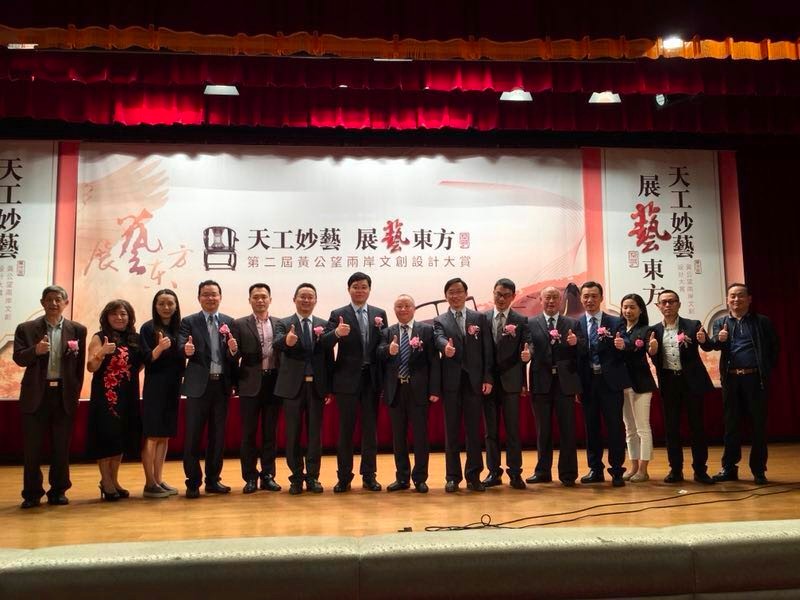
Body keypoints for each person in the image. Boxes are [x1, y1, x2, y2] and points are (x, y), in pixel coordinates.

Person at [13, 285, 87, 509]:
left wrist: (74, 393)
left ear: (66, 303)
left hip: (63, 395)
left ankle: (59, 490)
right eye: (49, 299)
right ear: (42, 302)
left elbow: (78, 368)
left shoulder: (78, 330)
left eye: (58, 300)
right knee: (32, 449)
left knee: (61, 447)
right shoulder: (26, 329)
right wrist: (35, 351)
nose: (54, 303)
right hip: (36, 394)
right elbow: (19, 358)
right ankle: (32, 493)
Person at [707, 283, 779, 485]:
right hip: (731, 379)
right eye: (732, 296)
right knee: (731, 426)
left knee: (758, 426)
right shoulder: (721, 322)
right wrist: (719, 338)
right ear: (727, 300)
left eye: (740, 296)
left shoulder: (762, 322)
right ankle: (729, 468)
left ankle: (759, 470)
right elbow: (713, 345)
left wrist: (764, 370)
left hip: (755, 379)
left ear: (749, 299)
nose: (736, 299)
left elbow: (774, 348)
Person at [325, 272, 388, 493]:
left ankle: (369, 476)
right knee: (346, 431)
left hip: (371, 380)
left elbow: (383, 345)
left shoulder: (379, 314)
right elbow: (324, 343)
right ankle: (344, 477)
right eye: (355, 287)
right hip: (346, 380)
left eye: (363, 287)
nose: (359, 290)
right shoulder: (338, 314)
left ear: (369, 290)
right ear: (348, 289)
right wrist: (336, 333)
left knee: (370, 430)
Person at [178, 280, 238, 499]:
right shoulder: (189, 322)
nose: (210, 298)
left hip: (221, 386)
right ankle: (193, 482)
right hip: (198, 387)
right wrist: (186, 349)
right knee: (193, 436)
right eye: (205, 294)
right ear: (199, 298)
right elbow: (181, 345)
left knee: (217, 436)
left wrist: (233, 351)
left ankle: (213, 480)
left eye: (214, 294)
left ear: (220, 297)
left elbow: (233, 356)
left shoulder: (229, 322)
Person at [433, 277, 494, 492]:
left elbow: (487, 350)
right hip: (451, 383)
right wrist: (445, 348)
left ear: (466, 294)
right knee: (451, 431)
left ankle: (474, 476)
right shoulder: (440, 320)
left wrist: (487, 378)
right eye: (451, 292)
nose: (455, 295)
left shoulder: (479, 318)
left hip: (474, 382)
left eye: (459, 291)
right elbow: (438, 338)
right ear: (446, 296)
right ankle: (452, 477)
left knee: (473, 431)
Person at [273, 283, 334, 495]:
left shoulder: (324, 325)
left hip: (316, 387)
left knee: (315, 434)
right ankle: (296, 478)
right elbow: (276, 344)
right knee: (293, 434)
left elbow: (328, 358)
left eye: (310, 297)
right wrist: (287, 341)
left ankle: (313, 477)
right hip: (292, 388)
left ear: (315, 300)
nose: (306, 300)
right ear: (294, 299)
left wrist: (329, 388)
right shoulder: (283, 323)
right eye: (302, 297)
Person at [650, 289, 715, 484]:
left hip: (691, 383)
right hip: (669, 382)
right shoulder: (654, 330)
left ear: (679, 304)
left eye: (671, 301)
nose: (667, 305)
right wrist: (652, 350)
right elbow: (652, 353)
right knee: (671, 429)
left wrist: (704, 340)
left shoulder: (692, 325)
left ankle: (700, 471)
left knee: (697, 427)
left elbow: (707, 346)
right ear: (658, 306)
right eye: (664, 302)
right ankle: (675, 470)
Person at [377, 294, 440, 493]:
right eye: (399, 306)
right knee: (398, 437)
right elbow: (378, 353)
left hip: (419, 391)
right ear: (394, 309)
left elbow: (434, 361)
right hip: (396, 390)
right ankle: (402, 478)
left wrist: (434, 389)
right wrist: (388, 350)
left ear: (413, 308)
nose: (403, 309)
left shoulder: (426, 330)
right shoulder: (387, 332)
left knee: (420, 436)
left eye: (407, 306)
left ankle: (420, 478)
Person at [86, 299, 143, 501]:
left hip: (128, 394)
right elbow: (91, 366)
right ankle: (106, 481)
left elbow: (138, 365)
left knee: (120, 439)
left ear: (130, 317)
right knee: (106, 438)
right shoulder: (100, 336)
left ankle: (114, 480)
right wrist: (102, 352)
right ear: (106, 317)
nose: (119, 318)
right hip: (106, 396)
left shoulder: (135, 338)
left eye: (123, 314)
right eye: (114, 314)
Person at [526, 286, 583, 487]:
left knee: (568, 429)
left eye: (555, 298)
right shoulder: (530, 323)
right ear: (540, 300)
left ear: (561, 301)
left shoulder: (572, 323)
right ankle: (542, 472)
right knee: (543, 431)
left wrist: (576, 343)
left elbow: (581, 352)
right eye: (547, 298)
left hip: (565, 383)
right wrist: (527, 354)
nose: (551, 301)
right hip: (540, 382)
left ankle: (568, 473)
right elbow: (528, 346)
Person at [575, 281, 630, 487]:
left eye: (594, 296)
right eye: (586, 296)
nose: (589, 300)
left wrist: (622, 344)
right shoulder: (576, 324)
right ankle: (595, 469)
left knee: (615, 427)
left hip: (610, 383)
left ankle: (616, 470)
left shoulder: (615, 322)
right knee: (591, 428)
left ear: (601, 298)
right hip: (588, 382)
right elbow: (575, 356)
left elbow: (626, 342)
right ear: (581, 298)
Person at [231, 283, 282, 494]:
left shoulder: (280, 323)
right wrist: (232, 351)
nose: (260, 300)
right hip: (249, 384)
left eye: (263, 297)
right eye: (256, 297)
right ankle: (250, 477)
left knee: (270, 433)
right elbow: (234, 356)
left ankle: (268, 475)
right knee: (249, 434)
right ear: (250, 300)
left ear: (270, 299)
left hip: (274, 383)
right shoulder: (239, 324)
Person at [482, 278, 528, 489]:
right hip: (488, 383)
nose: (501, 299)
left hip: (510, 382)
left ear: (513, 297)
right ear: (493, 293)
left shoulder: (520, 320)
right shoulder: (482, 319)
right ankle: (493, 472)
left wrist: (529, 353)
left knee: (512, 430)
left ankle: (515, 473)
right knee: (490, 431)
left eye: (506, 295)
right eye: (498, 294)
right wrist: (485, 377)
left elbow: (528, 345)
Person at [139, 289, 184, 499]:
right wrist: (159, 348)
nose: (166, 307)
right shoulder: (148, 327)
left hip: (173, 386)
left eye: (170, 303)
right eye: (161, 303)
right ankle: (149, 483)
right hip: (155, 385)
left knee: (164, 435)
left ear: (176, 306)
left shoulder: (179, 328)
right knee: (152, 435)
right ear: (155, 306)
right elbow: (145, 359)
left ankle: (158, 479)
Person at [615, 293, 658, 483]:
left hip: (641, 383)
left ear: (641, 310)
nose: (628, 311)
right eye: (625, 307)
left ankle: (643, 469)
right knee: (629, 429)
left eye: (632, 307)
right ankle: (633, 466)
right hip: (621, 383)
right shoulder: (617, 328)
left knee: (642, 428)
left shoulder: (647, 330)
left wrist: (653, 348)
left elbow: (650, 350)